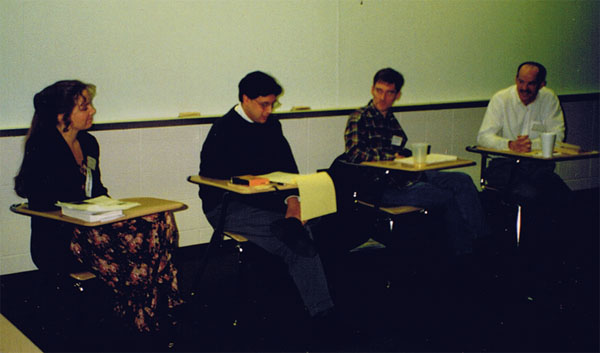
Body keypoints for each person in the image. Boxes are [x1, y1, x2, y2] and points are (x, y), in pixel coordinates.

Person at [14, 80, 183, 333]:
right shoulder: (42, 145)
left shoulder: (89, 142)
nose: (92, 110)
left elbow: (96, 190)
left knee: (161, 219)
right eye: (84, 107)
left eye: (90, 105)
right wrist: (79, 204)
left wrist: (110, 206)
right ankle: (141, 310)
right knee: (138, 248)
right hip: (62, 236)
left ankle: (158, 302)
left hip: (94, 225)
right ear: (62, 116)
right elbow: (33, 195)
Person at [199, 71, 334, 318]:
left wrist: (293, 202)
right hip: (227, 206)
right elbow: (210, 176)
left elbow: (288, 168)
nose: (269, 110)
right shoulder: (223, 129)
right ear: (245, 99)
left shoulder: (272, 125)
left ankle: (303, 296)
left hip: (267, 204)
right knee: (296, 237)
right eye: (264, 104)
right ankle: (322, 312)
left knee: (313, 224)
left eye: (272, 104)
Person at [342, 68, 488, 256]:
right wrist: (391, 158)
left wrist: (409, 157)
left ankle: (483, 239)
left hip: (404, 177)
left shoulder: (391, 120)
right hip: (380, 187)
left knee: (462, 180)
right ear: (372, 90)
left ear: (398, 95)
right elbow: (354, 153)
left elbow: (399, 149)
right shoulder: (359, 117)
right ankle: (464, 251)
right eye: (379, 91)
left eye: (389, 93)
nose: (383, 97)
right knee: (446, 196)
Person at [477, 61, 571, 241]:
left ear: (541, 84)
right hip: (503, 165)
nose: (524, 88)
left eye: (531, 84)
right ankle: (526, 248)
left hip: (537, 166)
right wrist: (510, 145)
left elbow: (558, 137)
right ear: (515, 79)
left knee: (563, 195)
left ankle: (553, 246)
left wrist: (531, 145)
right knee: (532, 195)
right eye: (521, 82)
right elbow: (483, 137)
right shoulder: (501, 99)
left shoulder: (549, 98)